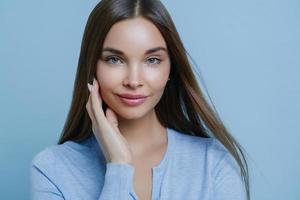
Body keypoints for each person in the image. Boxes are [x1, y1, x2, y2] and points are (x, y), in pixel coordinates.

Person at [30, 0, 250, 199]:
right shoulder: (51, 170)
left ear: (170, 67)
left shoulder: (213, 164)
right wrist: (118, 167)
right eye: (114, 59)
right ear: (92, 67)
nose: (134, 81)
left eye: (152, 60)